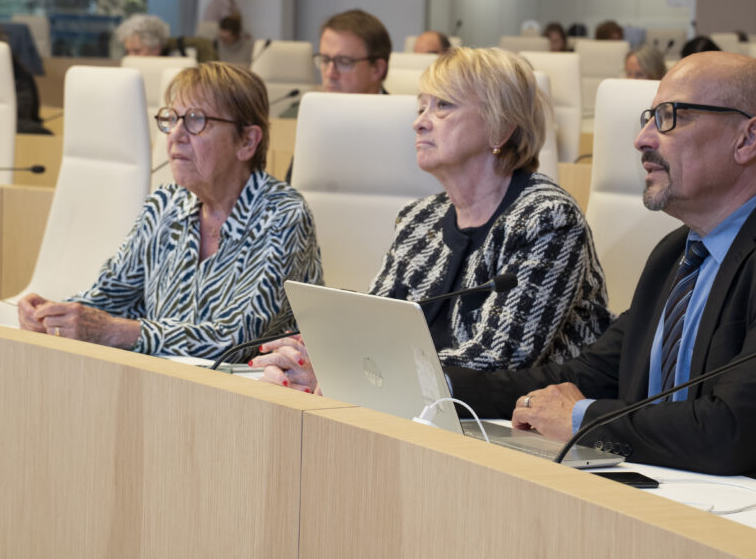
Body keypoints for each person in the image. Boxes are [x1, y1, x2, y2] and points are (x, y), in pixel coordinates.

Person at [443, 52, 756, 526]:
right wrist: (439, 384)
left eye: (669, 117)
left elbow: (732, 432)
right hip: (696, 517)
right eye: (648, 118)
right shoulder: (677, 253)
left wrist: (579, 418)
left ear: (748, 138)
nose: (641, 139)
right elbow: (588, 375)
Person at [253, 47, 614, 387]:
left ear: (501, 128)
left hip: (518, 432)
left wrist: (349, 373)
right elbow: (375, 327)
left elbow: (497, 360)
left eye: (442, 106)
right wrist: (318, 353)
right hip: (419, 414)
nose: (419, 123)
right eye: (420, 107)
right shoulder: (418, 219)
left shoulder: (548, 220)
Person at [17, 62, 323, 362]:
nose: (175, 134)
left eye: (195, 120)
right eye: (172, 119)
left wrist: (117, 332)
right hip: (163, 385)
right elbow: (109, 298)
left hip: (251, 398)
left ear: (247, 141)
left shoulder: (282, 214)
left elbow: (236, 341)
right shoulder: (164, 205)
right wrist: (53, 314)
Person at [278, 8, 392, 118]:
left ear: (377, 69)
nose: (330, 73)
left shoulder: (402, 124)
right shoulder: (299, 115)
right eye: (325, 60)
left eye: (344, 62)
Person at [116, 13, 217, 63]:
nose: (130, 57)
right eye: (128, 51)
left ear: (156, 48)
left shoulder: (192, 49)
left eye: (137, 51)